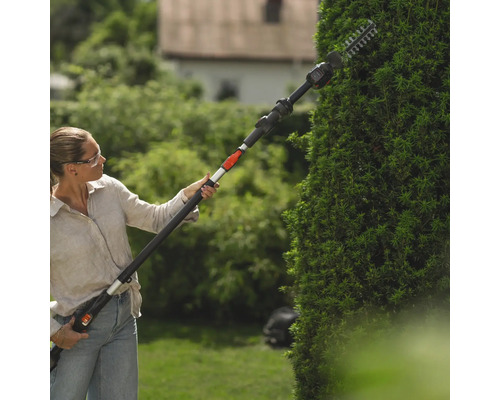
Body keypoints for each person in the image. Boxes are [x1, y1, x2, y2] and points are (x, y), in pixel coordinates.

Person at [50, 126, 219, 399]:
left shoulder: (110, 189)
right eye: (94, 157)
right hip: (77, 329)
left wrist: (188, 196)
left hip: (122, 318)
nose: (102, 160)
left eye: (100, 153)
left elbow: (156, 219)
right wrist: (56, 332)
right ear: (72, 168)